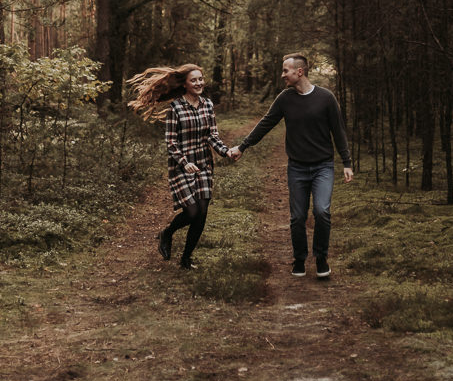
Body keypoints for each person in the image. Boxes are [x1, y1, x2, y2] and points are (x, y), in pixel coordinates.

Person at [228, 53, 353, 279]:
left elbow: (339, 131)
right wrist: (243, 146)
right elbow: (266, 124)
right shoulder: (285, 98)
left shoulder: (326, 98)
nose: (283, 75)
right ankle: (299, 260)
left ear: (300, 72)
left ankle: (321, 258)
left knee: (322, 211)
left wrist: (347, 162)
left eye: (286, 70)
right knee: (297, 217)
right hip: (297, 168)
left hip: (323, 166)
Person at [128, 63, 231, 269]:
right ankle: (167, 233)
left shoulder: (208, 105)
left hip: (203, 164)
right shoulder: (176, 108)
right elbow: (171, 142)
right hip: (181, 166)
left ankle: (186, 258)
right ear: (184, 84)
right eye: (193, 80)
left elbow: (212, 136)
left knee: (202, 213)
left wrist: (226, 151)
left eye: (200, 79)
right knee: (191, 212)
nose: (199, 83)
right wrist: (185, 163)